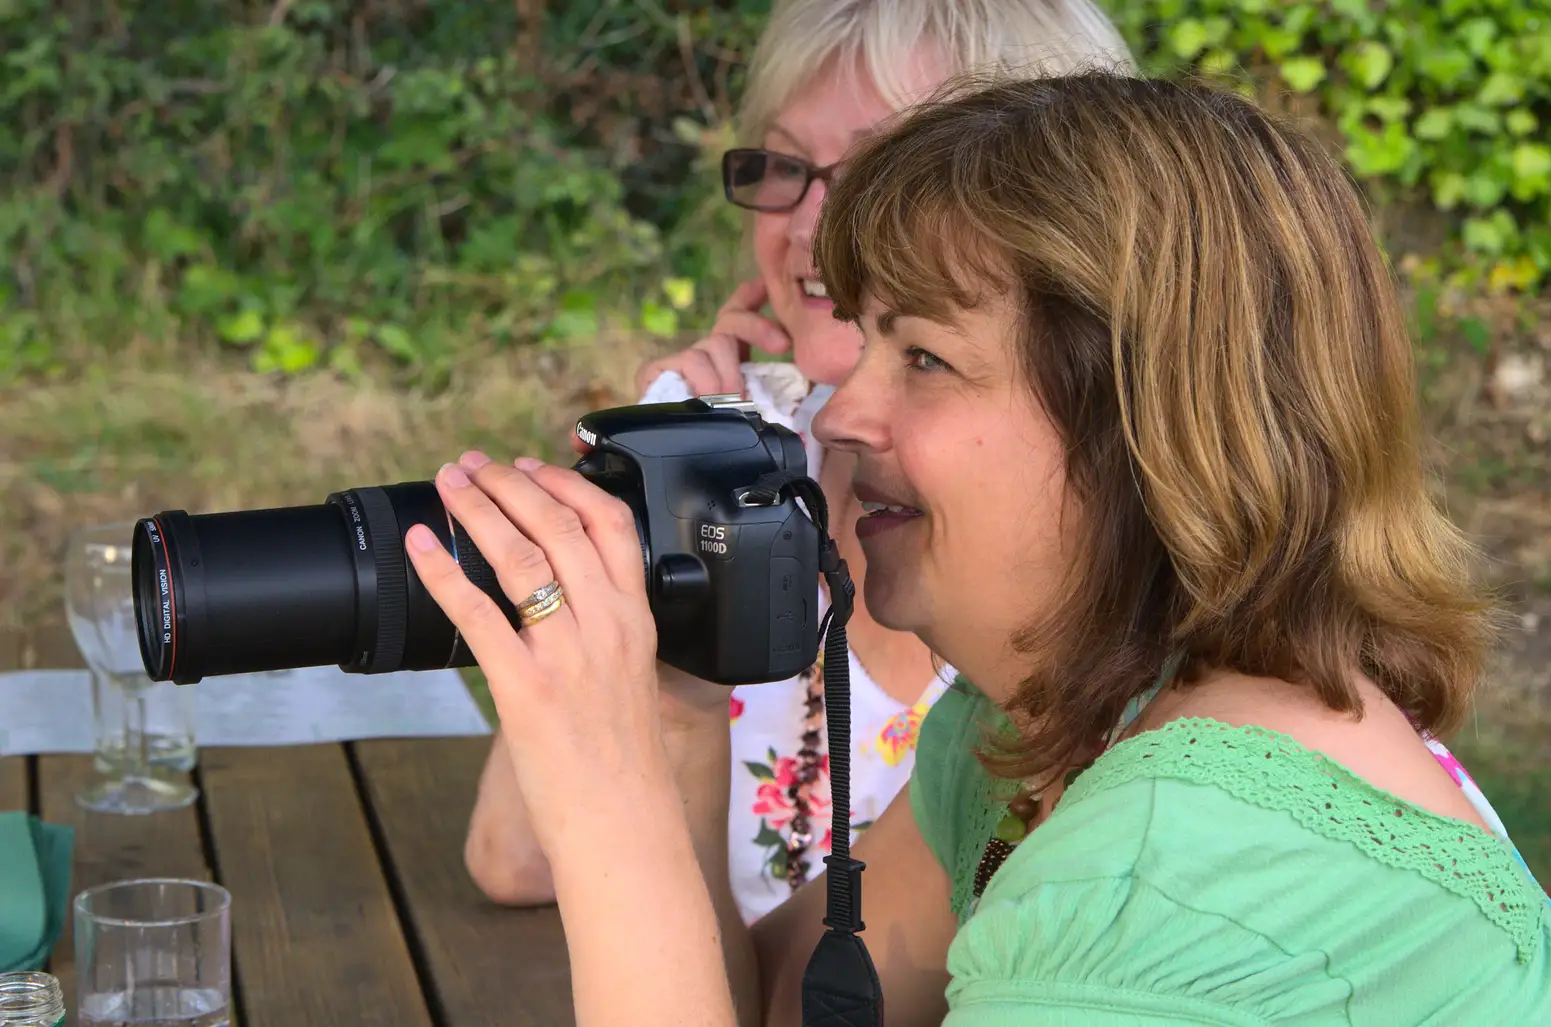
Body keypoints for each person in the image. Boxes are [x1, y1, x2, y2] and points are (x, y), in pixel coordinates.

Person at [410, 72, 1551, 1026]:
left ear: (1144, 426)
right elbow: (786, 1005)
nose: (836, 417)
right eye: (865, 346)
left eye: (922, 357)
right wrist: (671, 713)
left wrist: (604, 792)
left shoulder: (1168, 872)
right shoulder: (1042, 728)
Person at [462, 0, 1135, 924]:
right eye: (785, 167)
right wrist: (631, 508)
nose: (811, 225)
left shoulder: (1076, 541)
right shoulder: (745, 462)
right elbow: (514, 855)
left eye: (877, 172)